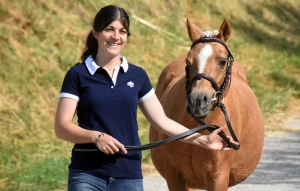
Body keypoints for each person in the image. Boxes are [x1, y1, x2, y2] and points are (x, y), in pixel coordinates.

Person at [54, 5, 239, 191]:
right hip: (87, 174)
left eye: (122, 31)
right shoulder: (78, 74)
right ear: (96, 32)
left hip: (128, 174)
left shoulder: (137, 76)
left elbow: (162, 121)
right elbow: (62, 127)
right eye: (109, 29)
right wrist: (96, 136)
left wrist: (202, 140)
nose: (116, 37)